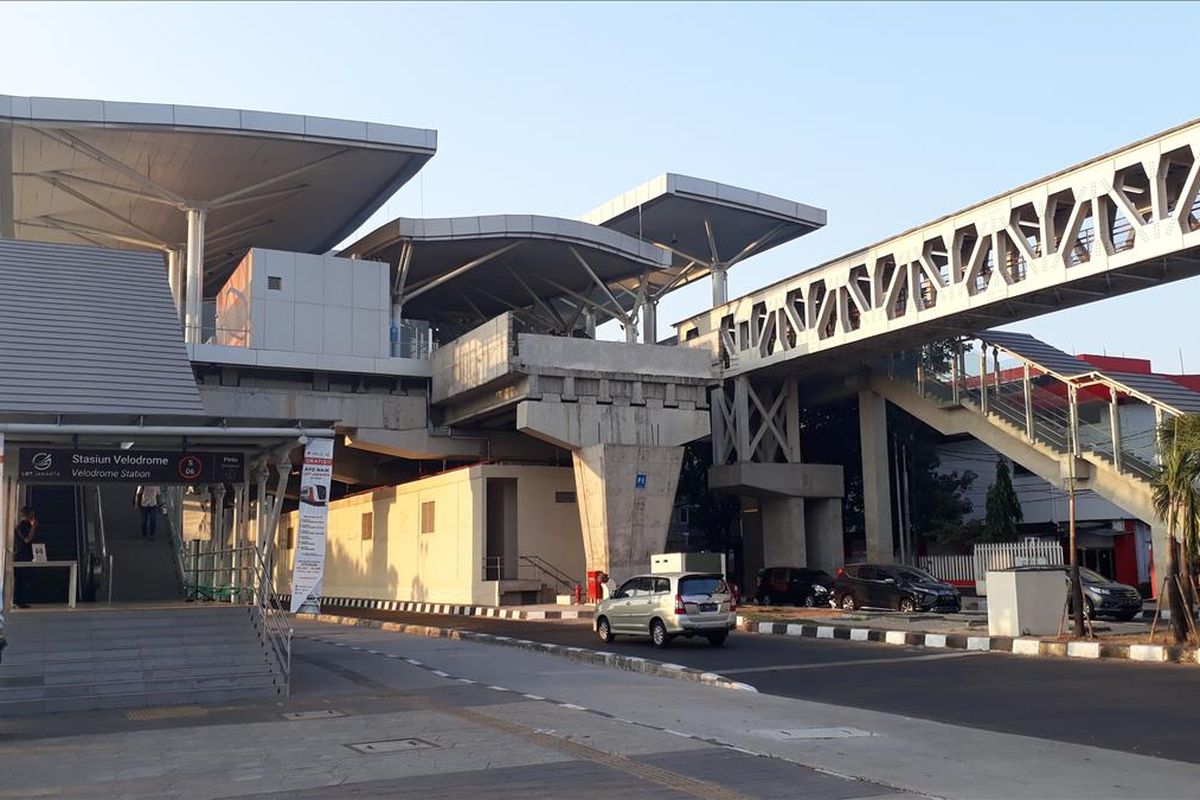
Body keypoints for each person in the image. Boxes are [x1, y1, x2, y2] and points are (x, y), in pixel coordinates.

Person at [12, 506, 37, 608]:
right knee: (20, 578)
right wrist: (33, 527)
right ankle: (17, 600)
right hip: (20, 555)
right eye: (31, 514)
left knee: (24, 578)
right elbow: (27, 539)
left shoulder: (26, 525)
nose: (33, 516)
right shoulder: (21, 526)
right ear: (26, 514)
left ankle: (21, 600)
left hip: (26, 555)